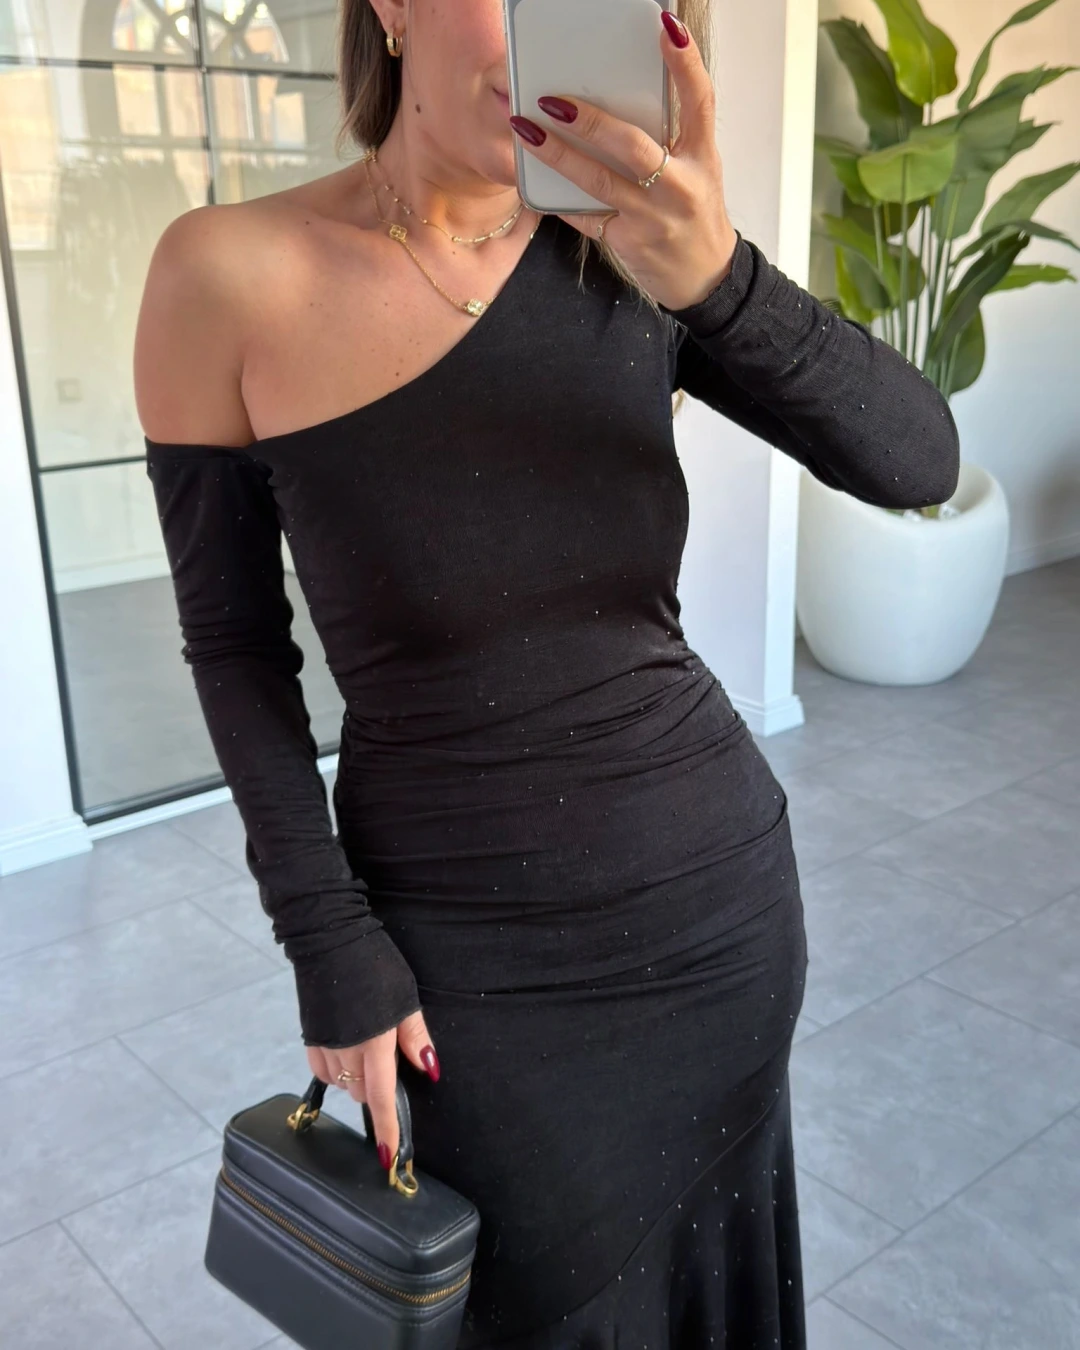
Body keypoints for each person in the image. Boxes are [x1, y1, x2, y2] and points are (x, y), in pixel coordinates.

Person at [134, 1, 960, 1344]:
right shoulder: (228, 274)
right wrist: (325, 938)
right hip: (467, 969)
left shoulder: (631, 252)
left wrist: (719, 277)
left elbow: (917, 460)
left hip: (719, 917)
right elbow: (235, 647)